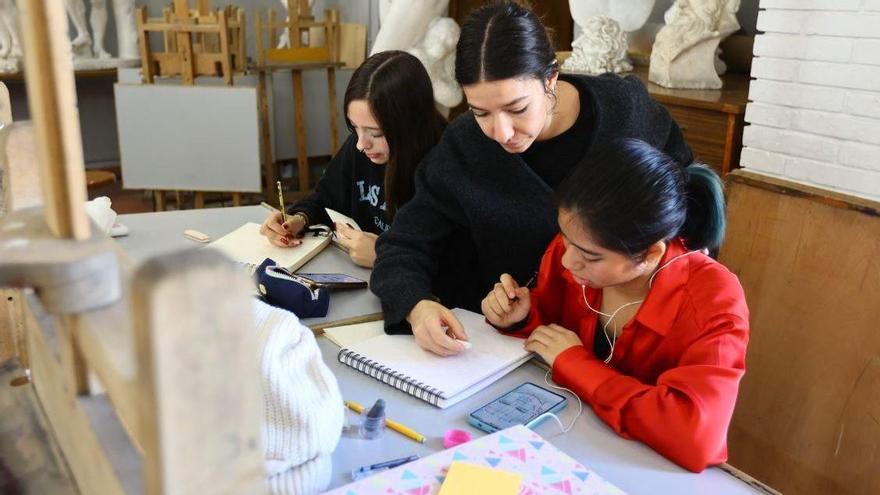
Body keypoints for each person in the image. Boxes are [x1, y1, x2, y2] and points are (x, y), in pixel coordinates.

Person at [370, 1, 693, 355]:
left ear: (550, 78)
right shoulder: (464, 146)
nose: (501, 132)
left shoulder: (625, 113)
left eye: (517, 108)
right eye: (480, 112)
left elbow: (684, 201)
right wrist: (416, 306)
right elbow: (403, 244)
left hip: (625, 342)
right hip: (508, 347)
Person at [481, 138, 748, 472]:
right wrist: (521, 316)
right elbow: (550, 326)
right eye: (565, 239)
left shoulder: (713, 298)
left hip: (645, 469)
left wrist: (575, 363)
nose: (567, 260)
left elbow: (694, 436)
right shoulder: (581, 246)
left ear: (651, 253)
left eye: (591, 257)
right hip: (573, 440)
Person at [259, 50, 446, 268]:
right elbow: (325, 199)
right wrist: (298, 219)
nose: (360, 144)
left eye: (375, 133)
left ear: (410, 125)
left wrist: (384, 255)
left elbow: (452, 263)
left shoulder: (443, 165)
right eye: (354, 128)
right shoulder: (361, 148)